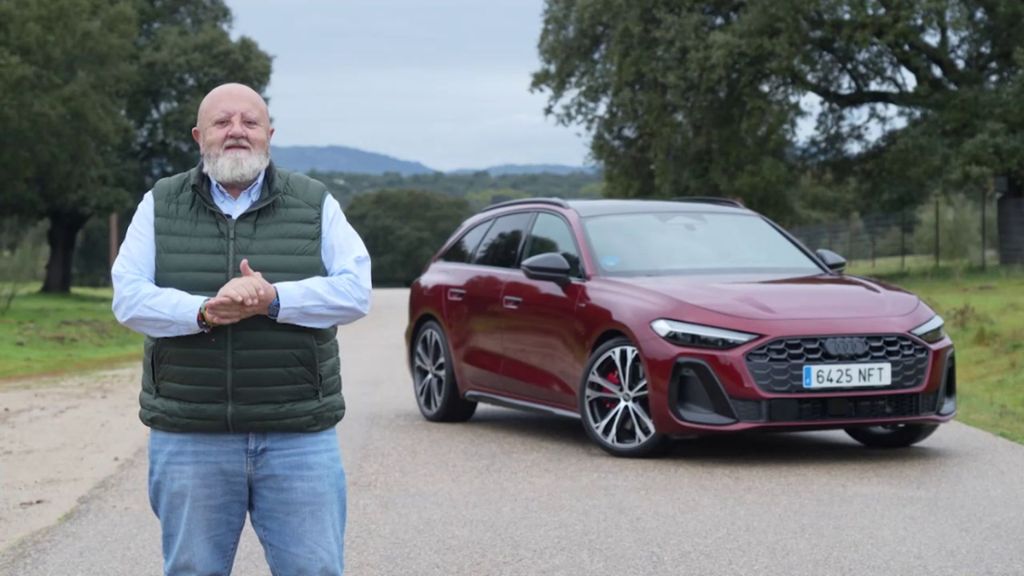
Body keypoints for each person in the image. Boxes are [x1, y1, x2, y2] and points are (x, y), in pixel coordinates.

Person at [112, 82, 371, 575]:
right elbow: (129, 298)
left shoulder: (315, 201)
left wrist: (275, 300)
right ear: (198, 135)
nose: (236, 132)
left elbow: (357, 291)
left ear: (269, 134)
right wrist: (204, 311)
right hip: (191, 433)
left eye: (249, 122)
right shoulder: (160, 202)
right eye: (222, 122)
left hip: (298, 434)